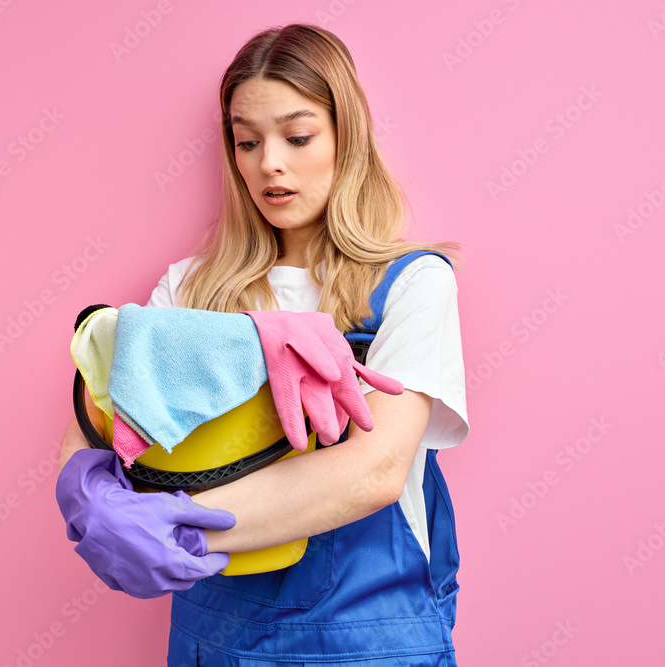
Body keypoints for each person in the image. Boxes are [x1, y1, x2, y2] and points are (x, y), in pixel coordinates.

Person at [56, 23, 469, 666]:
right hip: (213, 641)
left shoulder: (411, 284)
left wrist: (181, 527)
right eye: (247, 141)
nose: (269, 163)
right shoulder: (188, 290)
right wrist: (87, 496)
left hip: (364, 641)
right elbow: (98, 421)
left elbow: (375, 469)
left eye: (297, 137)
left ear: (345, 137)